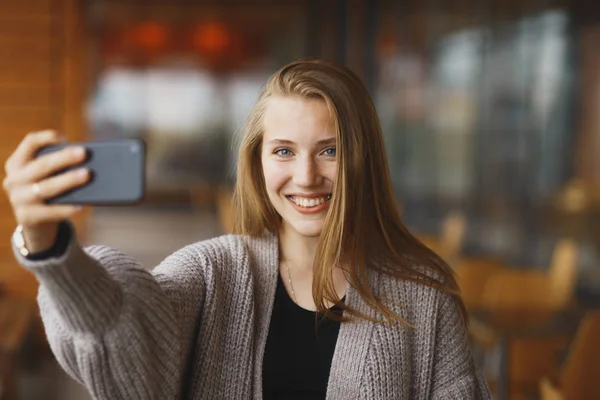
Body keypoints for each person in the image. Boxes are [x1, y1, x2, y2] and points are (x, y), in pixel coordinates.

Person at [3, 59, 491, 399]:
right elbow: (129, 344)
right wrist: (50, 248)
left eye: (330, 150)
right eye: (283, 151)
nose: (305, 177)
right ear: (257, 163)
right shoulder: (213, 271)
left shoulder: (424, 295)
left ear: (365, 160)